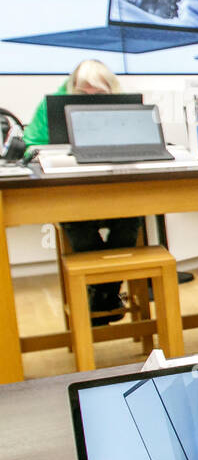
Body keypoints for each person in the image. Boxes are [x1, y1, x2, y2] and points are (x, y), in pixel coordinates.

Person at [26, 60, 143, 322]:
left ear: (110, 91)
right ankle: (107, 295)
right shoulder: (50, 107)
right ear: (72, 89)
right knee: (78, 226)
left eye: (98, 93)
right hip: (71, 197)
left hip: (117, 196)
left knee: (131, 221)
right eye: (82, 93)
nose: (90, 99)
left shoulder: (126, 108)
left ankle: (100, 295)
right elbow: (30, 145)